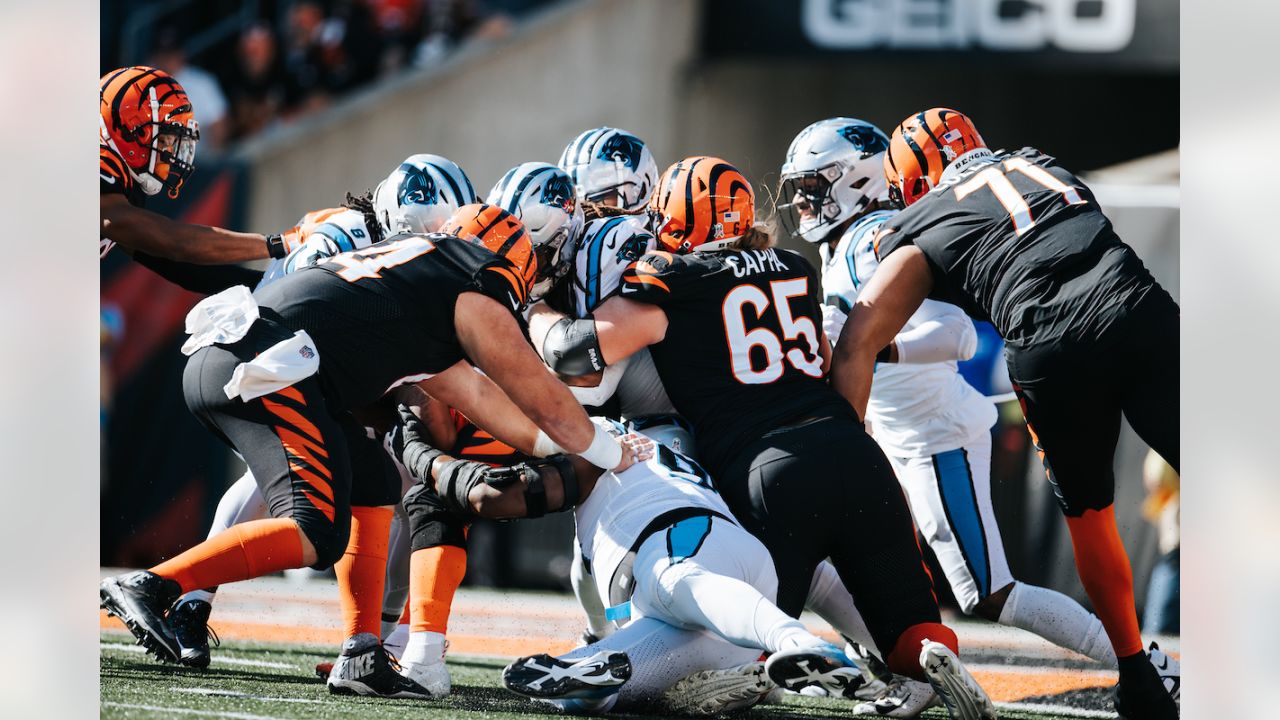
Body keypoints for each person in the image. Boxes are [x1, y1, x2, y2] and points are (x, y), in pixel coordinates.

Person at [100, 204, 649, 696]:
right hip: (262, 368)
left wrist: (556, 446)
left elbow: (482, 396)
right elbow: (541, 396)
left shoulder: (418, 283)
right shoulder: (472, 278)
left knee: (373, 483)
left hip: (249, 360)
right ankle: (154, 584)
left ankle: (360, 652)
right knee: (317, 529)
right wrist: (604, 447)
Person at [534, 155, 996, 719]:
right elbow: (826, 358)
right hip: (854, 449)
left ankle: (734, 672)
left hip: (766, 467)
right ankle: (927, 661)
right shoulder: (795, 266)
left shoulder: (677, 279)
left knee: (738, 617)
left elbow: (575, 351)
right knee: (907, 613)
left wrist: (535, 307)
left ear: (677, 220)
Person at [829, 107, 1179, 719]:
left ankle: (1137, 671)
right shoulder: (1041, 163)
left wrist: (842, 452)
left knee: (1091, 517)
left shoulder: (918, 218)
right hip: (1134, 305)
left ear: (908, 180)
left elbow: (859, 339)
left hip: (1049, 347)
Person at [100, 67, 294, 289]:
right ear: (131, 129)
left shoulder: (123, 189)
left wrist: (269, 284)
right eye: (165, 139)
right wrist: (280, 243)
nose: (170, 151)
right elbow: (176, 242)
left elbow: (177, 265)